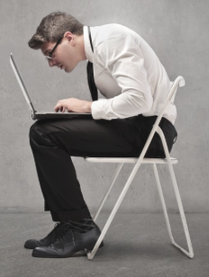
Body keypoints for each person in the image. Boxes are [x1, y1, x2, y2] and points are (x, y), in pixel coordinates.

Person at [24, 11, 177, 258]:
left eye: (51, 54)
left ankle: (80, 228)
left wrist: (86, 107)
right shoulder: (96, 55)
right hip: (135, 126)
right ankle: (69, 224)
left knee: (44, 135)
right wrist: (76, 115)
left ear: (69, 38)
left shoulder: (113, 40)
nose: (51, 63)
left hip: (152, 132)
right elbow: (118, 108)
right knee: (43, 130)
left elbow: (140, 99)